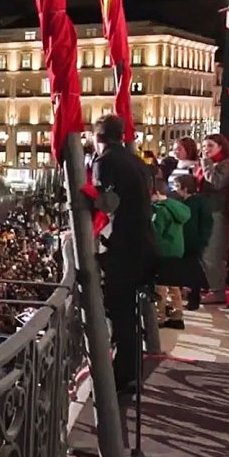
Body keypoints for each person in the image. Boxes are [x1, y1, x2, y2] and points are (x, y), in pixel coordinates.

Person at [91, 114, 157, 395]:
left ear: (99, 139)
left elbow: (106, 202)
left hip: (124, 246)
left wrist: (85, 197)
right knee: (127, 312)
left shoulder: (105, 161)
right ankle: (130, 371)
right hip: (144, 244)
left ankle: (123, 376)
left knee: (120, 313)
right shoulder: (137, 160)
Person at [196, 134, 229, 304]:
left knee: (214, 252)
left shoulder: (227, 163)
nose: (206, 149)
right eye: (204, 146)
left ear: (221, 146)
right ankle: (207, 285)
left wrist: (206, 164)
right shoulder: (211, 164)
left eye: (210, 146)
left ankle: (217, 290)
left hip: (217, 211)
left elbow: (216, 182)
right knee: (204, 252)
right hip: (205, 211)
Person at [151, 177, 191, 328]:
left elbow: (155, 232)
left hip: (163, 252)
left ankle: (159, 316)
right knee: (174, 285)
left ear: (155, 193)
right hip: (177, 251)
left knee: (160, 287)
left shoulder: (160, 210)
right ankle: (177, 314)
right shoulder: (177, 207)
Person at [173, 174, 212, 313]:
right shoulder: (198, 202)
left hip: (191, 242)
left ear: (185, 188)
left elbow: (197, 224)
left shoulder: (193, 204)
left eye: (177, 186)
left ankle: (194, 299)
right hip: (193, 241)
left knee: (192, 271)